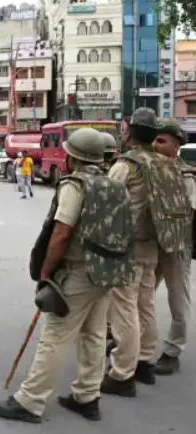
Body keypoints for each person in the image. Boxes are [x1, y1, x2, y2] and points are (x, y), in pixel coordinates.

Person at [0, 127, 134, 423]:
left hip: (78, 271)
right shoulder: (113, 184)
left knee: (55, 336)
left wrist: (46, 271)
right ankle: (87, 396)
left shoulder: (75, 185)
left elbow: (61, 232)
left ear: (73, 157)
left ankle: (30, 401)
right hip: (107, 271)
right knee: (93, 335)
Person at [102, 108, 191, 397]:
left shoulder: (127, 165)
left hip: (128, 246)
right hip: (153, 244)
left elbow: (107, 205)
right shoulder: (165, 164)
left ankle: (121, 373)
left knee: (124, 307)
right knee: (145, 304)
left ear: (129, 133)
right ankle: (144, 361)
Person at [151, 118, 194, 375]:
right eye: (154, 139)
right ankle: (132, 342)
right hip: (150, 244)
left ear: (176, 146)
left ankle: (173, 351)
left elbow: (191, 211)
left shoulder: (185, 175)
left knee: (178, 299)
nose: (155, 145)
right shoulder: (147, 168)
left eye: (162, 140)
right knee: (140, 297)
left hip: (176, 244)